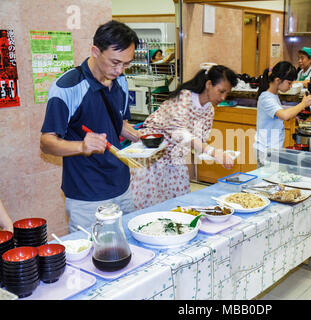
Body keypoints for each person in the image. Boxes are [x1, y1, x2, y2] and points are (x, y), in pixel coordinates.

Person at [40, 20, 141, 233]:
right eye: (115, 62)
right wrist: (81, 147)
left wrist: (135, 135)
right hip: (86, 193)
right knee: (91, 255)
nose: (120, 70)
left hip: (121, 184)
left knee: (127, 246)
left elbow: (119, 124)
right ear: (95, 51)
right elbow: (47, 142)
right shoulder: (67, 87)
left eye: (126, 64)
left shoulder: (121, 82)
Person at [132, 65, 238, 209]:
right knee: (150, 203)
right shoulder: (184, 98)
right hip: (153, 153)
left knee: (179, 201)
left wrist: (217, 155)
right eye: (221, 91)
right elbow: (180, 133)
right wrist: (213, 152)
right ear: (208, 85)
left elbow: (198, 141)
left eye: (227, 93)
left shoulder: (209, 110)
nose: (223, 97)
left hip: (176, 157)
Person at [254, 61, 311, 167]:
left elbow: (277, 114)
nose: (290, 86)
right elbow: (284, 115)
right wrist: (303, 104)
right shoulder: (266, 97)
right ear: (277, 80)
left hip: (272, 148)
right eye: (289, 83)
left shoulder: (273, 95)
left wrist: (295, 114)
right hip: (266, 149)